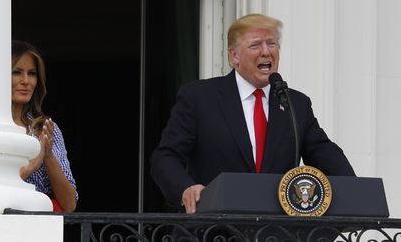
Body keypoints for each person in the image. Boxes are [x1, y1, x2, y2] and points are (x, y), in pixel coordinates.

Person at [151, 13, 355, 217]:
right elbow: (166, 157)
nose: (266, 52)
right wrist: (186, 188)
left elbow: (326, 154)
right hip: (213, 229)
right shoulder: (200, 97)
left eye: (272, 44)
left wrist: (355, 193)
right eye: (256, 45)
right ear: (234, 56)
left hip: (274, 231)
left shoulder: (295, 103)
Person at [12, 40, 78, 212]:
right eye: (17, 72)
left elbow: (70, 204)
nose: (26, 81)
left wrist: (48, 157)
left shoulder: (47, 129)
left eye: (32, 73)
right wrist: (30, 167)